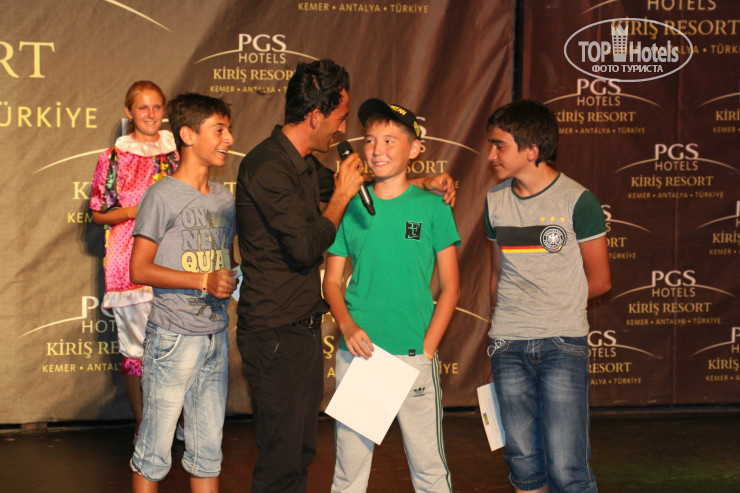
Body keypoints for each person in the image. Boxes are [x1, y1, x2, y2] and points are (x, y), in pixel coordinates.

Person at [235, 59, 456, 493]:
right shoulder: (267, 166)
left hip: (305, 332)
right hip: (278, 334)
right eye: (341, 119)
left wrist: (425, 182)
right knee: (285, 458)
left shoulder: (305, 166)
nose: (344, 131)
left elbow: (373, 188)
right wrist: (339, 197)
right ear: (315, 116)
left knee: (299, 453)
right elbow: (308, 247)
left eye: (387, 140)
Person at [323, 99, 460, 493]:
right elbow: (331, 281)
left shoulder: (433, 207)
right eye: (369, 140)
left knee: (429, 469)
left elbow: (451, 286)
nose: (377, 150)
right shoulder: (350, 207)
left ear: (414, 149)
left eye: (389, 140)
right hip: (362, 356)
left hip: (414, 356)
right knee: (348, 474)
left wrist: (427, 348)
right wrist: (347, 325)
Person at [484, 99, 611, 493]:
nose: (491, 155)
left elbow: (600, 281)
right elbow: (497, 275)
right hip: (507, 343)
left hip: (562, 343)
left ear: (531, 150)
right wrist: (507, 321)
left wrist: (551, 309)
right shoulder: (494, 201)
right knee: (523, 463)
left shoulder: (578, 200)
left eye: (499, 146)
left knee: (567, 465)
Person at [128, 93, 237, 493]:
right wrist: (202, 280)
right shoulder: (161, 196)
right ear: (188, 135)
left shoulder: (225, 198)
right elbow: (139, 268)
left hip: (215, 337)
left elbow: (226, 264)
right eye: (219, 130)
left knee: (208, 451)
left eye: (228, 130)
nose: (228, 139)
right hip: (172, 338)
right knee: (154, 450)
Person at [89, 81, 179, 439]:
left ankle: (176, 422)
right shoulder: (114, 158)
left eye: (157, 107)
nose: (151, 114)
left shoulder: (177, 153)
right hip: (128, 262)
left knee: (177, 345)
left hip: (174, 260)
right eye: (143, 107)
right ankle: (144, 424)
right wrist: (133, 210)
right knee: (135, 349)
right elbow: (99, 213)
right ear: (129, 112)